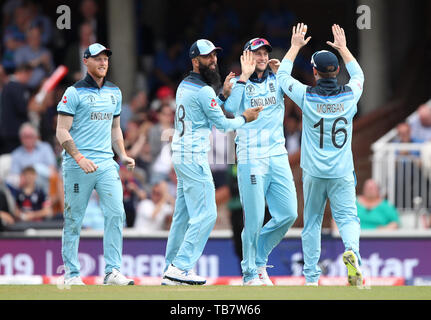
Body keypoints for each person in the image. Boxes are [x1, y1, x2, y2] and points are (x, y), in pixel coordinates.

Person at [162, 39, 262, 286]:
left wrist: (223, 94)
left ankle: (169, 268)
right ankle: (181, 267)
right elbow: (224, 124)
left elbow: (205, 106)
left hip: (181, 155)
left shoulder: (185, 85)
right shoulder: (204, 91)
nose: (213, 60)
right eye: (208, 57)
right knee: (207, 214)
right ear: (195, 61)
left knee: (182, 216)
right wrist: (245, 118)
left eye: (215, 55)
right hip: (194, 157)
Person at [277, 23, 364, 286]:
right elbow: (359, 74)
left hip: (314, 173)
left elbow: (281, 77)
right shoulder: (351, 95)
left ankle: (312, 277)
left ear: (314, 73)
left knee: (312, 221)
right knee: (348, 217)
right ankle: (353, 253)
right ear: (336, 71)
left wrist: (294, 47)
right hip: (342, 171)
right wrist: (344, 48)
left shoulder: (306, 95)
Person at [56, 43, 135, 286]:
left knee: (116, 213)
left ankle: (112, 271)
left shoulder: (115, 92)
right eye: (97, 58)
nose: (103, 63)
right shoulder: (74, 92)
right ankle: (72, 274)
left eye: (106, 59)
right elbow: (61, 131)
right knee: (74, 218)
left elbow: (115, 128)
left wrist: (122, 154)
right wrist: (79, 157)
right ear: (86, 61)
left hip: (105, 164)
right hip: (77, 165)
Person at [223, 37, 298, 286]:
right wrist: (243, 78)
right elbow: (231, 109)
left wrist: (286, 64)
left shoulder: (277, 79)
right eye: (257, 53)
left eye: (265, 53)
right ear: (247, 57)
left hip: (277, 155)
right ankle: (250, 273)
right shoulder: (238, 82)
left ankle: (259, 259)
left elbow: (298, 95)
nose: (263, 57)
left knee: (288, 213)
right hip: (250, 157)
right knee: (254, 220)